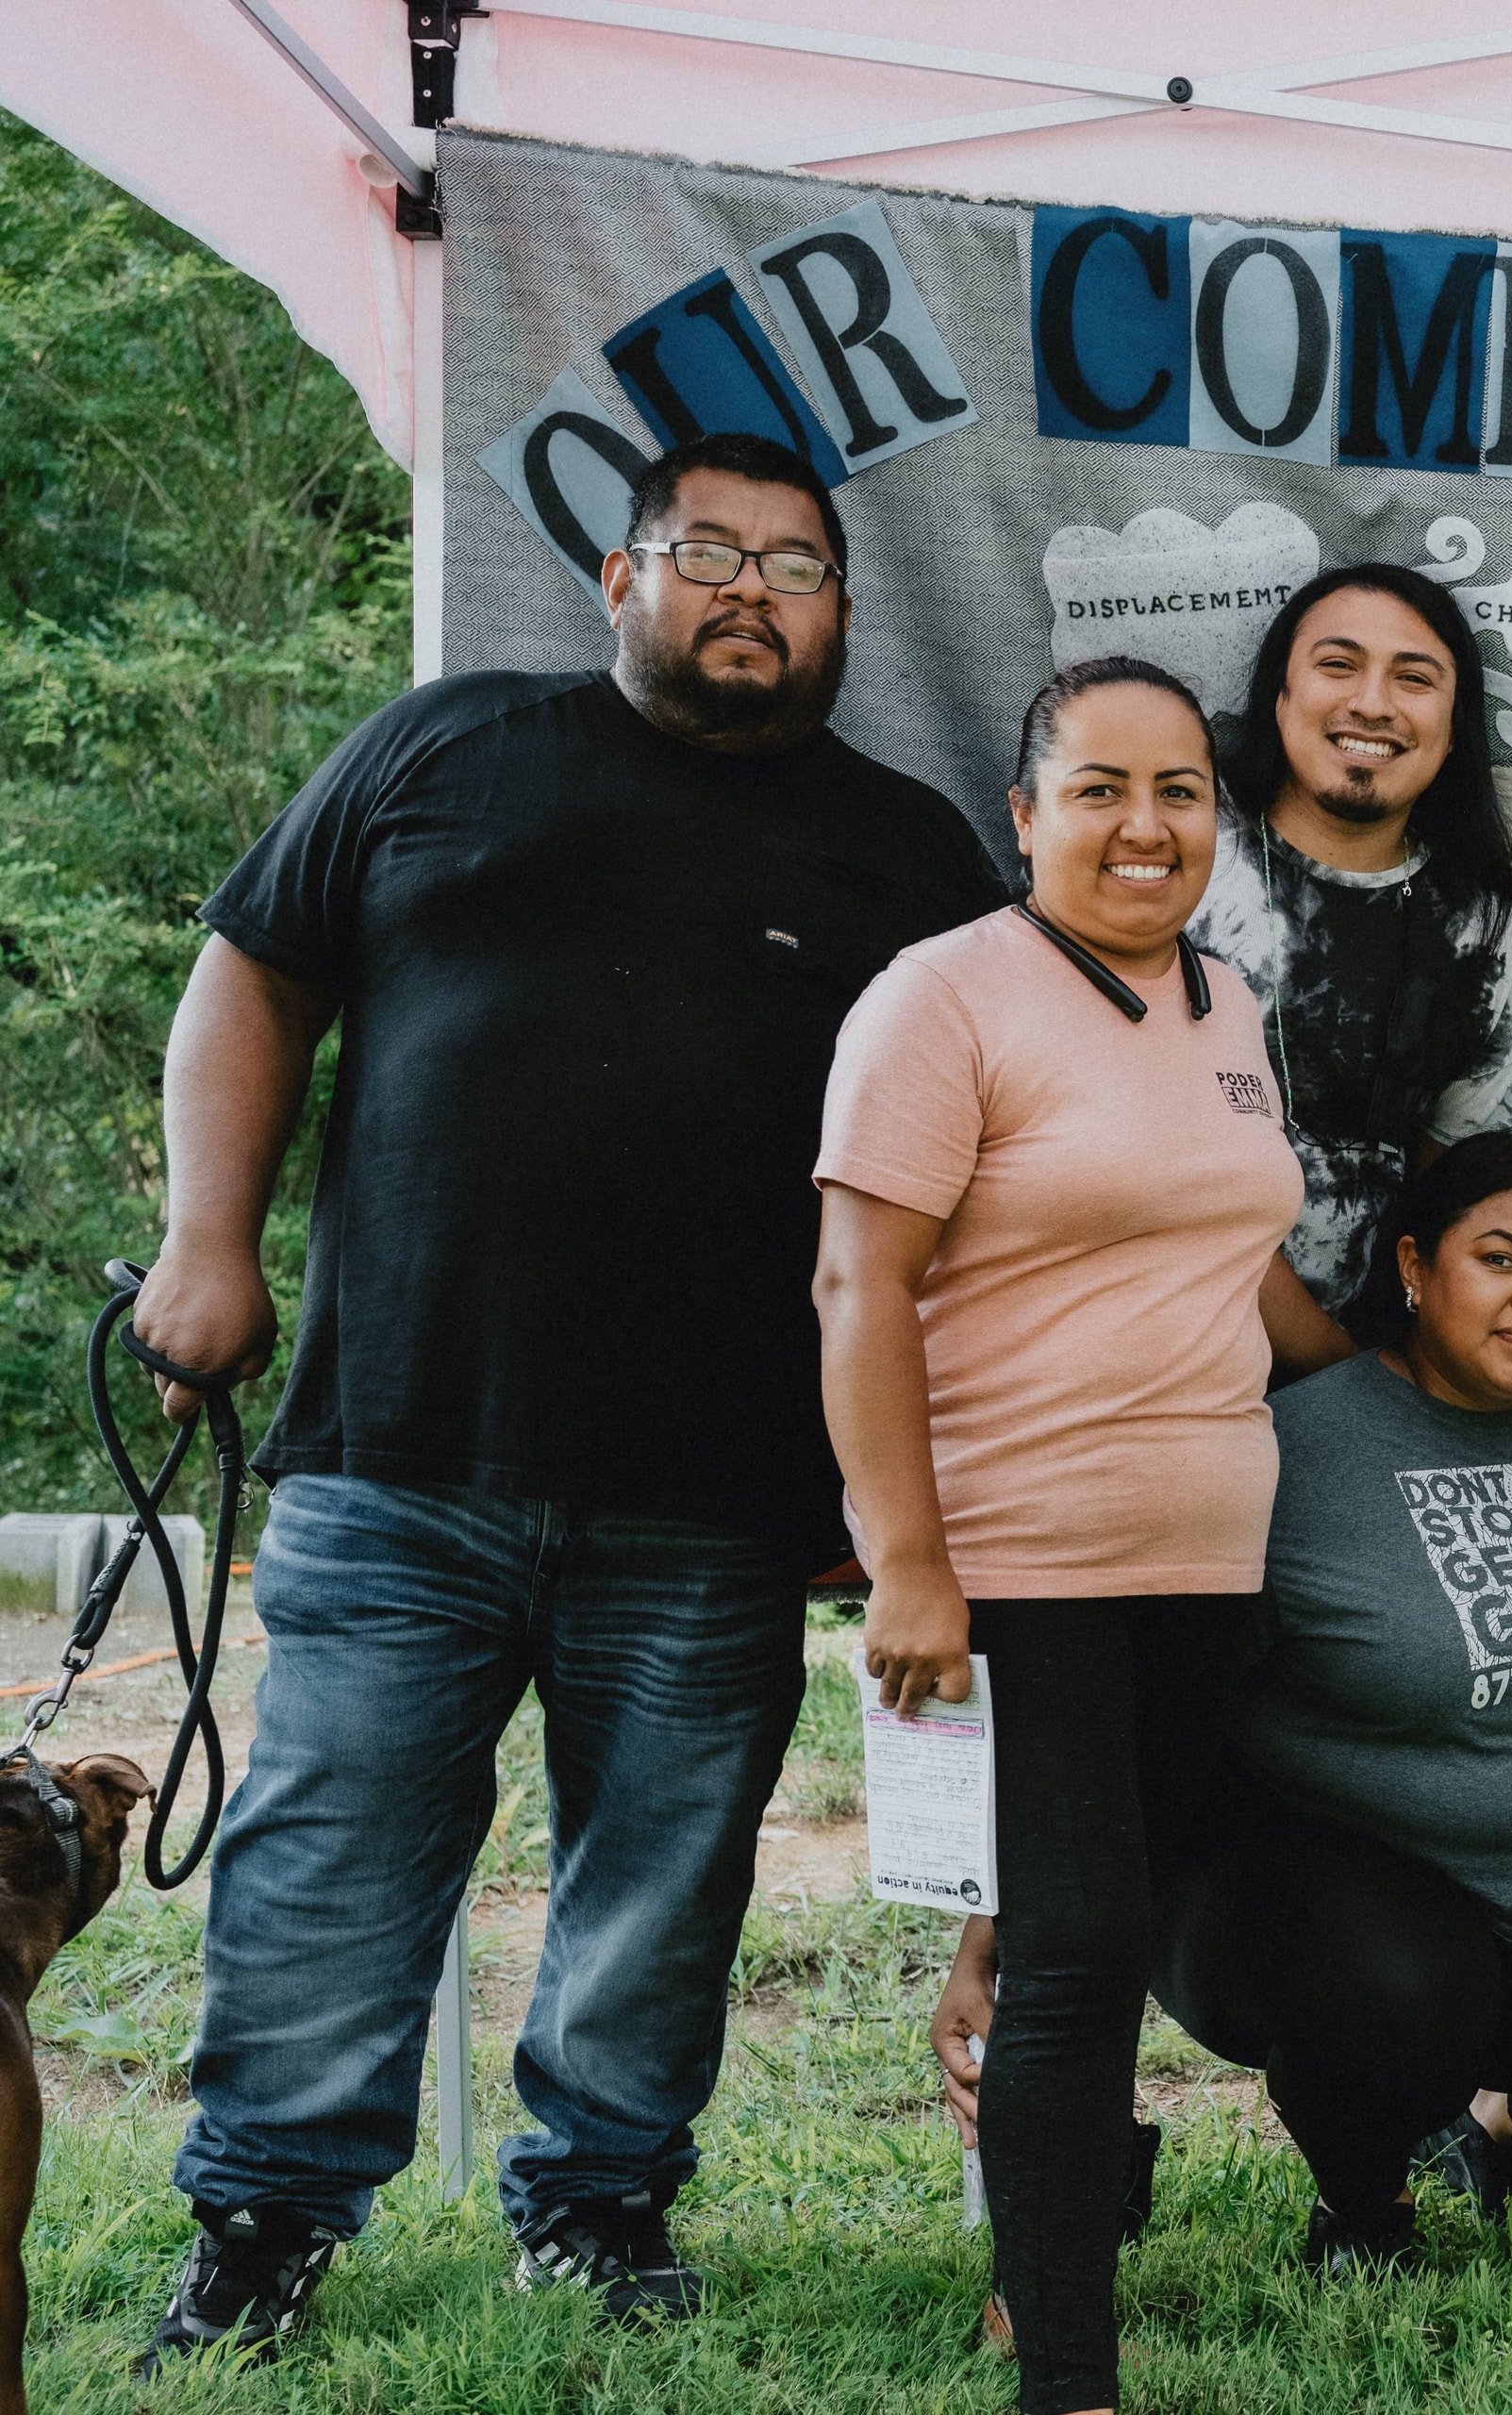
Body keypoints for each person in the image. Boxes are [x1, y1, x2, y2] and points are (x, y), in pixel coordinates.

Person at [125, 432, 1005, 2360]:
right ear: (620, 581)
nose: (754, 589)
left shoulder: (916, 853)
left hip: (719, 1488)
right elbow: (251, 973)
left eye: (798, 565)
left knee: (666, 1880)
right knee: (331, 1851)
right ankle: (264, 2217)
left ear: (846, 616)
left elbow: (987, 1160)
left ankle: (599, 2204)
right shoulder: (442, 745)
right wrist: (212, 1244)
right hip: (402, 1444)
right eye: (710, 552)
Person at [930, 1136, 1512, 2272]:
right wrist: (1000, 1933)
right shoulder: (1290, 1456)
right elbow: (1144, 1719)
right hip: (1320, 1908)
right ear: (1417, 1269)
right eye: (1500, 1258)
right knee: (1402, 1991)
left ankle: (1496, 2122)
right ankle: (1363, 2199)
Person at [814, 656, 1346, 2415]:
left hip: (1207, 1556)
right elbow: (858, 1283)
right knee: (1084, 1948)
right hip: (1020, 1561)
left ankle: (1028, 2162)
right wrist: (908, 1557)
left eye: (1181, 789)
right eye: (1101, 788)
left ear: (1221, 816)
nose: (1145, 824)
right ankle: (1066, 2363)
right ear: (1026, 814)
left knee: (1095, 1907)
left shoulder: (1225, 999)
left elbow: (1234, 1259)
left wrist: (1413, 1378)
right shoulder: (940, 998)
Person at [1193, 562, 1512, 1514]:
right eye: (1338, 665)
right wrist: (1349, 1387)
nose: (1373, 703)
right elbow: (1165, 1180)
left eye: (1414, 677)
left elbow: (1466, 1201)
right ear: (1281, 695)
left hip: (1356, 1410)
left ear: (1454, 718)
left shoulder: (1485, 937)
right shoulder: (1182, 874)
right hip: (1161, 1381)